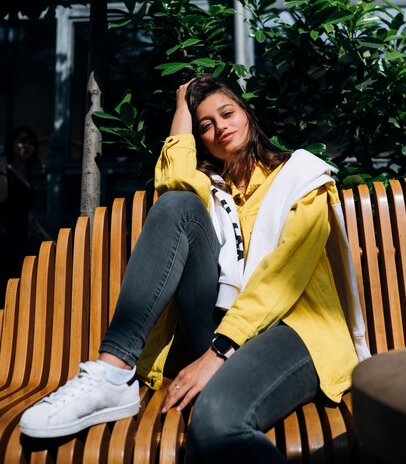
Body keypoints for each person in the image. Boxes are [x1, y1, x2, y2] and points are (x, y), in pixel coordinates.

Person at [19, 76, 369, 463]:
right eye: (205, 125)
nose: (219, 127)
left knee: (217, 425)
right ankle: (112, 373)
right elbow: (172, 183)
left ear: (248, 116)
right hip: (217, 331)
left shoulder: (301, 178)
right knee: (178, 206)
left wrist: (217, 352)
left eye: (227, 113)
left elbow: (282, 280)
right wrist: (183, 104)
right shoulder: (211, 190)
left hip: (293, 331)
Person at [0, 126, 49, 305]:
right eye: (21, 141)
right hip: (4, 238)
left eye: (30, 143)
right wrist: (3, 169)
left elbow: (28, 214)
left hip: (20, 239)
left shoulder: (26, 175)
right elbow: (2, 198)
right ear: (12, 143)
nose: (26, 146)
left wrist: (45, 237)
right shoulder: (5, 169)